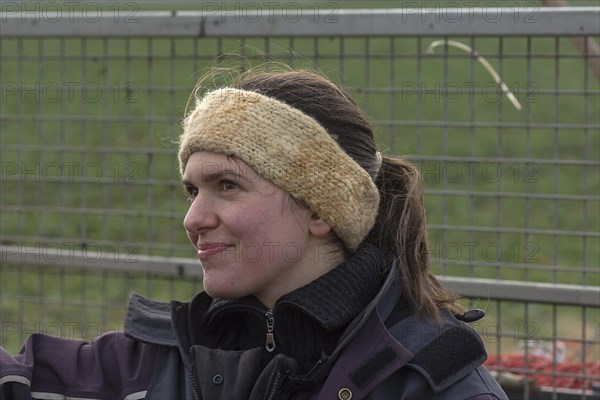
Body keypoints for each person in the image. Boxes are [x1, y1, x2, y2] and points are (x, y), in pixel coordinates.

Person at [0, 69, 508, 400]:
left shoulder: (432, 382)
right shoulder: (162, 363)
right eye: (192, 190)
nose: (194, 218)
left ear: (318, 210)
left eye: (227, 185)